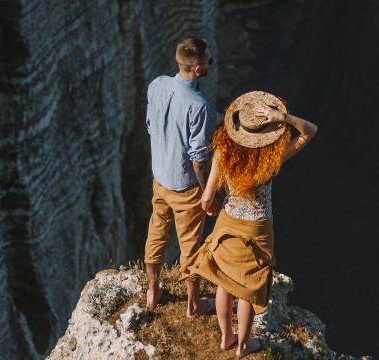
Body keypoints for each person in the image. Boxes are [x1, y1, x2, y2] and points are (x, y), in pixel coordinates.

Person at [181, 91, 318, 357]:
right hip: (258, 229)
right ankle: (242, 346)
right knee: (247, 288)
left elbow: (207, 198)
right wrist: (284, 117)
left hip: (227, 222)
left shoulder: (222, 151)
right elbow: (309, 131)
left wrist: (213, 208)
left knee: (224, 281)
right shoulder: (268, 162)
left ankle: (226, 337)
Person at [143, 38, 217, 318]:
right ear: (198, 68)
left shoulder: (156, 85)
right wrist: (209, 192)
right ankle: (193, 305)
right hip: (185, 187)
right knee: (190, 245)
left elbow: (151, 125)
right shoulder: (198, 104)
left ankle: (153, 289)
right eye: (209, 60)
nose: (211, 62)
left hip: (159, 178)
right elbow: (198, 156)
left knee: (156, 231)